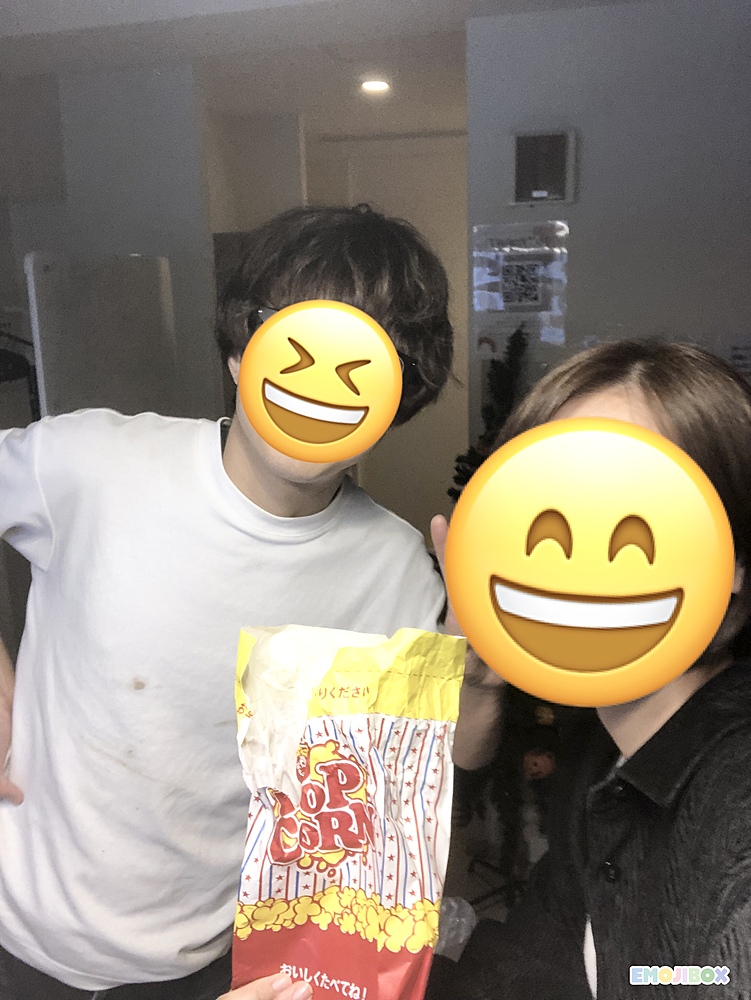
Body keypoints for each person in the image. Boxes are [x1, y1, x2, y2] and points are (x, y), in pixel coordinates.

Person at [0, 205, 502, 1000]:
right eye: (296, 347)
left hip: (216, 966)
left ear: (398, 394)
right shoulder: (90, 464)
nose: (321, 385)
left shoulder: (398, 569)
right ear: (240, 350)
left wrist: (481, 675)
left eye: (362, 364)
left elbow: (444, 764)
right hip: (16, 941)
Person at [427, 340, 751, 1000]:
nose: (575, 550)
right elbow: (543, 962)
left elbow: (702, 975)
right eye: (540, 505)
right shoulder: (605, 757)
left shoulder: (733, 801)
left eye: (637, 513)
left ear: (735, 561)